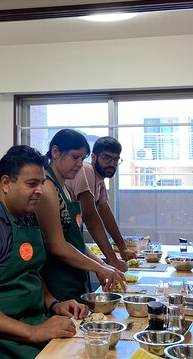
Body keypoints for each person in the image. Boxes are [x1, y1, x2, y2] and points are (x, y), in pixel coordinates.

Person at [0, 145, 87, 359]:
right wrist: (33, 332)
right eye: (32, 184)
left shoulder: (23, 217)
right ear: (6, 183)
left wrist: (54, 304)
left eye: (42, 183)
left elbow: (30, 271)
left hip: (32, 322)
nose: (40, 190)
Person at [32, 129, 125, 301]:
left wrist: (102, 264)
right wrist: (101, 267)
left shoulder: (66, 188)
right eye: (75, 157)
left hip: (75, 281)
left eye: (82, 159)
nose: (80, 164)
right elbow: (57, 245)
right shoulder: (48, 187)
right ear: (55, 151)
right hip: (58, 284)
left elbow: (75, 240)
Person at [66, 136, 136, 273]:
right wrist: (112, 260)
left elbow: (105, 210)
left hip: (74, 242)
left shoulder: (99, 180)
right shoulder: (86, 170)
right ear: (93, 157)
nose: (111, 163)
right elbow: (91, 217)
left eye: (116, 159)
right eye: (106, 158)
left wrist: (123, 248)